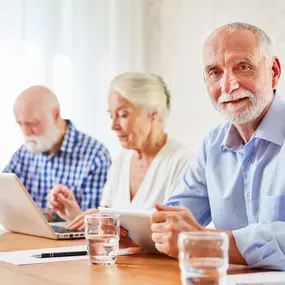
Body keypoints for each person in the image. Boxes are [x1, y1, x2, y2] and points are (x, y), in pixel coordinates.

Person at [151, 22, 285, 270]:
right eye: (215, 72)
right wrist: (126, 227)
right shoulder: (212, 145)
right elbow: (176, 216)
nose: (228, 85)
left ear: (274, 71)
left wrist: (211, 243)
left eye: (243, 67)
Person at [48, 72, 192, 228]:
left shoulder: (181, 161)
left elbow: (175, 231)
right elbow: (108, 227)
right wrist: (77, 216)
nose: (113, 126)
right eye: (111, 116)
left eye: (123, 115)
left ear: (153, 114)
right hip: (119, 253)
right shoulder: (121, 161)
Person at [3, 85, 111, 221]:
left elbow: (95, 222)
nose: (26, 132)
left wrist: (51, 217)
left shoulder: (95, 155)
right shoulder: (24, 152)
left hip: (73, 242)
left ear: (55, 115)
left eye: (33, 123)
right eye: (20, 124)